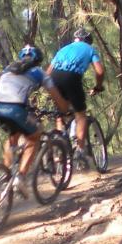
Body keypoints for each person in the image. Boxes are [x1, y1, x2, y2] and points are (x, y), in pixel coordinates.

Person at [0, 45, 69, 196]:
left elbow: (9, 91)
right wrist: (65, 110)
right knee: (35, 136)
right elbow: (57, 97)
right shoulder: (39, 72)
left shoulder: (7, 69)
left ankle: (6, 175)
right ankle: (20, 177)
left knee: (13, 137)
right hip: (16, 108)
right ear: (38, 61)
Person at [46, 27, 105, 163]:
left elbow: (48, 73)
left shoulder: (63, 49)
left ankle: (60, 143)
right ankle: (80, 150)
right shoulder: (90, 49)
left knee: (62, 113)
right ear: (88, 41)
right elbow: (100, 72)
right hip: (72, 77)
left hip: (54, 79)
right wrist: (98, 86)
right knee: (80, 115)